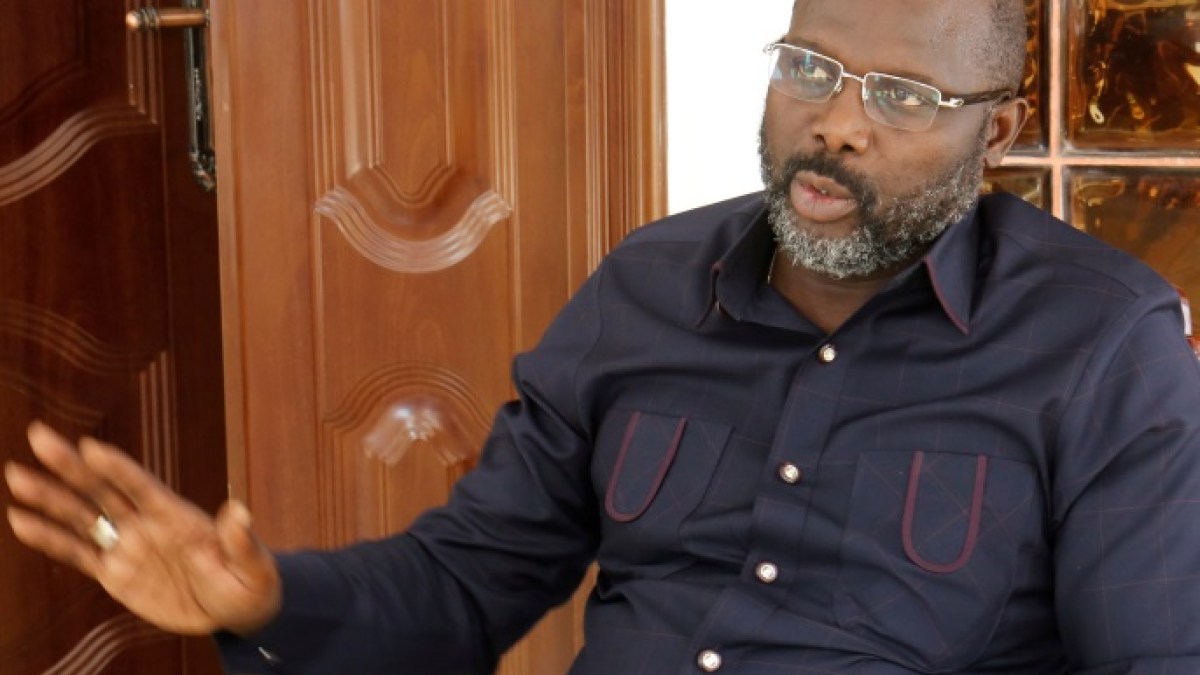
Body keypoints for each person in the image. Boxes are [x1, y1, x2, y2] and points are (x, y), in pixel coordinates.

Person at [7, 0, 1200, 672]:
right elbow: (465, 582)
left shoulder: (1100, 340)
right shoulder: (650, 284)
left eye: (904, 96)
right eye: (809, 68)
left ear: (999, 135)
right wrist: (265, 600)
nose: (837, 124)